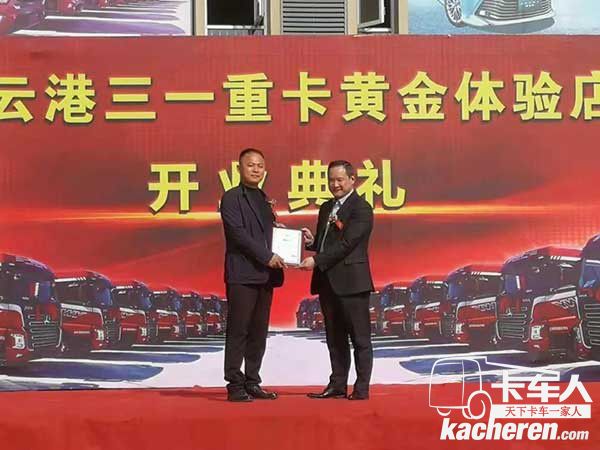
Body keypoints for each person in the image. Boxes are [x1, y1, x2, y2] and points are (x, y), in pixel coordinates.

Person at [299, 160, 374, 400]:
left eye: (340, 180)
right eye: (331, 180)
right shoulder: (326, 207)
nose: (335, 184)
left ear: (352, 179)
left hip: (352, 283)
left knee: (360, 338)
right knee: (335, 338)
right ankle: (337, 384)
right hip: (328, 282)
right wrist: (312, 243)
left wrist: (316, 260)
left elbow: (347, 244)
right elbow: (328, 242)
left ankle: (361, 388)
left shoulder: (361, 208)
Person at [220, 148, 285, 402]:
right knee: (239, 331)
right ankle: (234, 384)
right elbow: (238, 235)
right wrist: (267, 255)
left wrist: (279, 234)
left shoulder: (264, 199)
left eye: (260, 165)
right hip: (242, 275)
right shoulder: (231, 198)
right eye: (251, 165)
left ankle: (252, 381)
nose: (256, 169)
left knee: (258, 332)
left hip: (265, 276)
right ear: (239, 168)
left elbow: (262, 233)